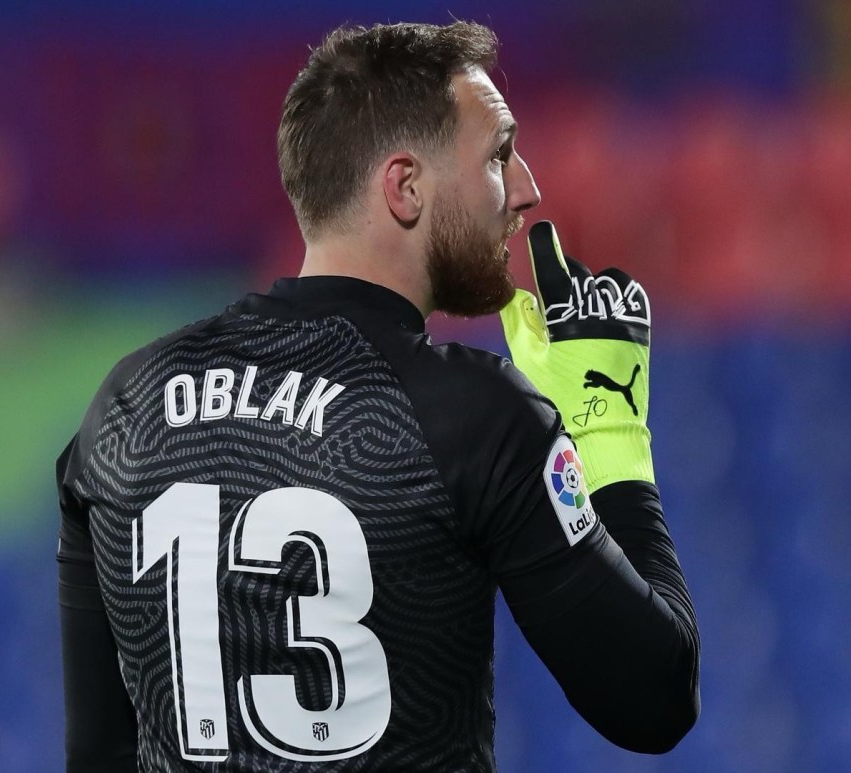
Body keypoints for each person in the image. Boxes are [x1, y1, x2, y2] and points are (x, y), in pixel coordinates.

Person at [56, 20, 700, 772]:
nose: (527, 189)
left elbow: (98, 755)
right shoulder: (469, 412)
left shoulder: (124, 406)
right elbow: (654, 700)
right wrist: (607, 426)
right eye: (499, 155)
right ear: (405, 187)